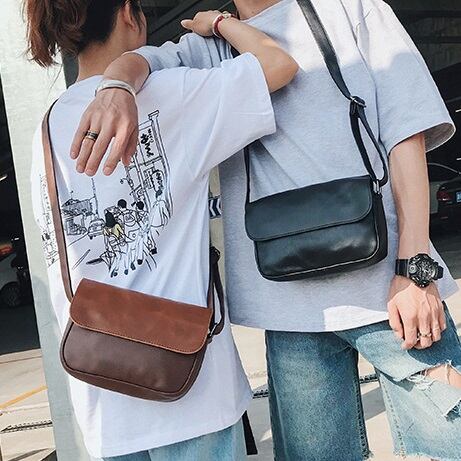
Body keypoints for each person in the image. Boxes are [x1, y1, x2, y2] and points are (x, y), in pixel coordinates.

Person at [72, 0, 461, 460]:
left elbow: (406, 133)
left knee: (448, 446)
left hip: (390, 294)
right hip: (288, 313)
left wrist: (415, 271)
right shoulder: (205, 49)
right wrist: (117, 87)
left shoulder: (349, 9)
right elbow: (140, 61)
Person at [26, 0, 298, 459]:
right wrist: (219, 22)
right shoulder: (171, 94)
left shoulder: (48, 125)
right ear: (128, 13)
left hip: (103, 397)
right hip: (192, 391)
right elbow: (278, 63)